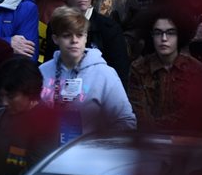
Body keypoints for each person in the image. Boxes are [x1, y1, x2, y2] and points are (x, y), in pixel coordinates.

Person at [38, 8, 136, 143]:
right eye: (67, 35)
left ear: (86, 38)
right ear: (55, 39)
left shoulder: (104, 74)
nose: (74, 40)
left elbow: (125, 120)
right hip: (49, 156)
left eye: (79, 35)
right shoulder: (42, 72)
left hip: (91, 155)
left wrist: (101, 145)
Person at [127, 11, 202, 132]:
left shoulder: (196, 70)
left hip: (187, 140)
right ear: (151, 35)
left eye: (170, 33)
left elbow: (193, 114)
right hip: (149, 140)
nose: (164, 39)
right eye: (158, 33)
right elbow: (140, 114)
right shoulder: (139, 69)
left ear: (180, 35)